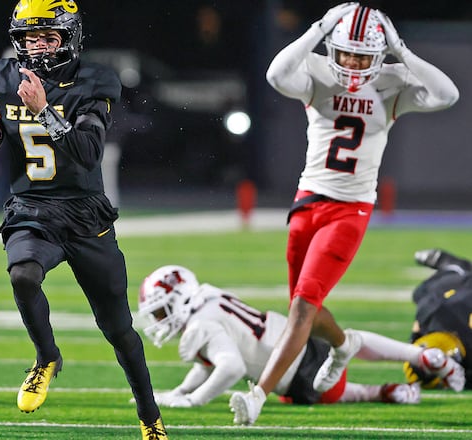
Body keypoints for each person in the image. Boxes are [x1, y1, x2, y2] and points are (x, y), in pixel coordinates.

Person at [0, 1, 167, 438]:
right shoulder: (2, 77)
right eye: (31, 39)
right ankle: (46, 356)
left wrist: (45, 109)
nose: (40, 47)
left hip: (85, 213)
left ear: (71, 38)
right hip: (32, 208)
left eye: (49, 37)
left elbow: (88, 151)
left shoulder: (93, 80)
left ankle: (150, 417)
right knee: (23, 274)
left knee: (119, 330)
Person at [229, 3, 459, 426]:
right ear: (332, 48)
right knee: (306, 310)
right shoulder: (317, 70)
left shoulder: (391, 83)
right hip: (306, 202)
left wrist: (400, 50)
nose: (352, 64)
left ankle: (259, 394)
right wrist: (318, 28)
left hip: (349, 210)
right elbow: (276, 74)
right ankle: (345, 343)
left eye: (362, 55)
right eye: (346, 53)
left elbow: (448, 94)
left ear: (380, 54)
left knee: (302, 307)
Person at [137, 265, 464, 410]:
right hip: (296, 339)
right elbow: (210, 362)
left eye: (161, 311)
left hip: (294, 370)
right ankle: (416, 358)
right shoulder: (210, 300)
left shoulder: (199, 326)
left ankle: (385, 390)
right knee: (347, 344)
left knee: (327, 388)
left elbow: (231, 367)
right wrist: (179, 391)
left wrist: (195, 400)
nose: (159, 320)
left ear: (179, 300)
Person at [405, 248, 472, 389]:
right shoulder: (428, 310)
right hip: (446, 293)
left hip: (455, 286)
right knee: (423, 292)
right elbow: (417, 327)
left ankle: (452, 265)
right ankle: (451, 265)